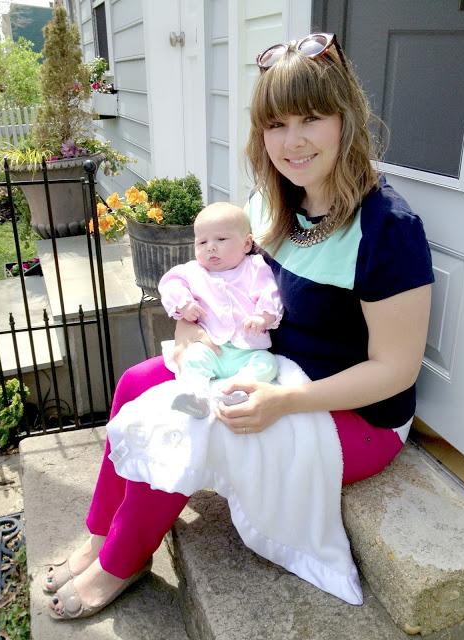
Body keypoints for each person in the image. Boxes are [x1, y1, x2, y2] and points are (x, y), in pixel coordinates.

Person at [46, 32, 433, 620]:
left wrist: (283, 401)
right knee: (135, 384)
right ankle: (101, 535)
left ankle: (121, 563)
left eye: (311, 118)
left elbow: (395, 370)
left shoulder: (389, 230)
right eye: (276, 124)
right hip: (266, 367)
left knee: (183, 422)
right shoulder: (272, 205)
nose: (293, 140)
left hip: (354, 416)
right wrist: (187, 331)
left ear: (345, 119)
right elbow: (218, 286)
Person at [158, 201, 283, 419]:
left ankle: (236, 390)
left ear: (246, 244)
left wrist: (262, 317)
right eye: (202, 242)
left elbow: (270, 292)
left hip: (248, 350)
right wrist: (184, 304)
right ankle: (195, 397)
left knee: (267, 364)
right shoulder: (193, 271)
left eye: (221, 239)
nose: (210, 247)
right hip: (212, 349)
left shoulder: (255, 267)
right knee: (193, 359)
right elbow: (169, 284)